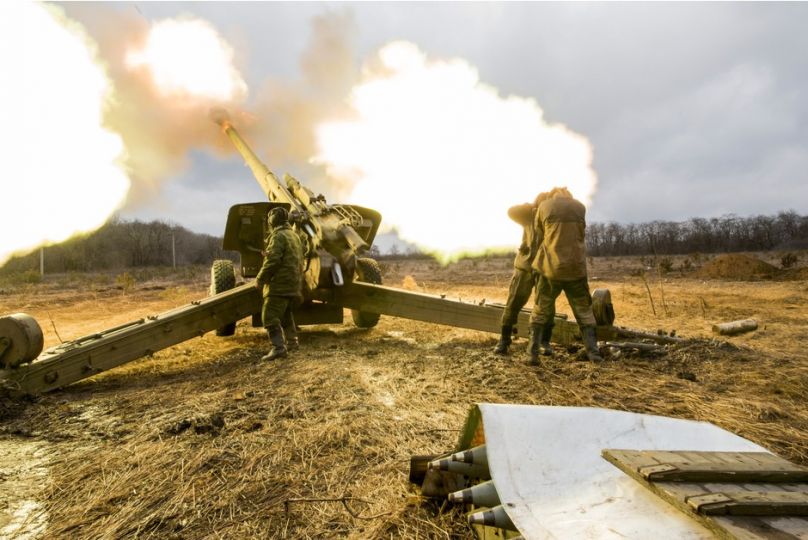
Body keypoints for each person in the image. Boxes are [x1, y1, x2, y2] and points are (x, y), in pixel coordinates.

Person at [528, 187, 603, 364]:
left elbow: (540, 235)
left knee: (540, 310)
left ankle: (532, 354)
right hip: (575, 270)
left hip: (550, 270)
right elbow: (580, 235)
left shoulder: (544, 206)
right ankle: (594, 354)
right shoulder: (580, 207)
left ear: (553, 194)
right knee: (584, 312)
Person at [494, 193, 548, 355]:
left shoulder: (551, 220)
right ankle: (504, 339)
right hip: (524, 268)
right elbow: (511, 211)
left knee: (544, 307)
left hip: (544, 269)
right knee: (513, 303)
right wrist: (531, 206)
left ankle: (543, 342)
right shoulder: (527, 216)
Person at [255, 207, 304, 361]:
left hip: (279, 284)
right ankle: (292, 343)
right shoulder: (293, 235)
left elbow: (272, 261)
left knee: (269, 316)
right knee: (285, 314)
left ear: (272, 220)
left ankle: (278, 348)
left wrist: (260, 279)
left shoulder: (278, 236)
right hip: (293, 283)